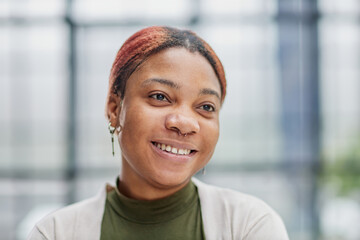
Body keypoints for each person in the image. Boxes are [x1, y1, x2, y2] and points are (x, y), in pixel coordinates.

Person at [28, 26, 289, 240]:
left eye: (206, 107)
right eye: (160, 97)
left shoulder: (250, 225)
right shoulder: (55, 233)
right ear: (114, 109)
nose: (185, 123)